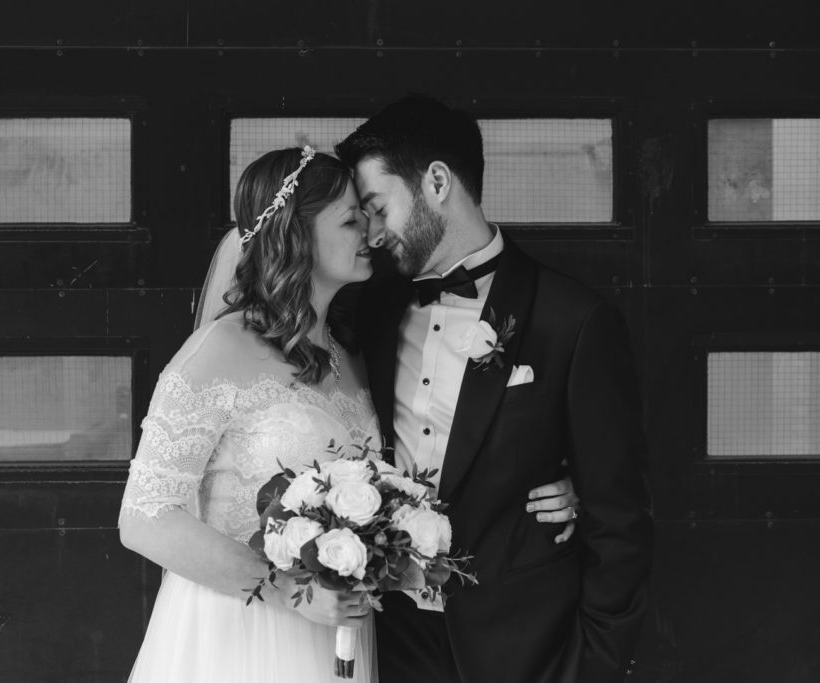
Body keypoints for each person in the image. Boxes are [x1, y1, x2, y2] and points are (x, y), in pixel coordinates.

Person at [335, 95, 654, 683]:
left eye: (378, 208)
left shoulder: (573, 321)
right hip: (392, 641)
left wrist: (589, 670)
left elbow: (621, 525)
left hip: (525, 652)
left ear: (435, 182)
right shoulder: (367, 308)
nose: (373, 234)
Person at [119, 147, 379, 682]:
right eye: (352, 220)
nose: (370, 234)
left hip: (336, 633)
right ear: (296, 234)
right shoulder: (219, 349)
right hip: (240, 631)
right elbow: (143, 517)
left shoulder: (349, 357)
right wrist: (287, 590)